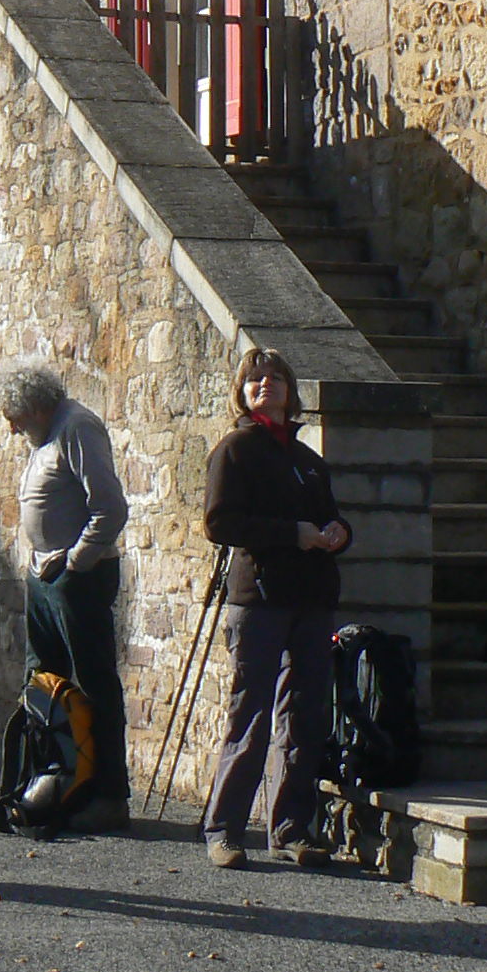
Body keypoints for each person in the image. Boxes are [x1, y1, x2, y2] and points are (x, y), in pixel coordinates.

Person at [199, 346, 351, 871]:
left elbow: (331, 517)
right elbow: (219, 523)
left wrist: (338, 532)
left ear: (291, 390)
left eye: (275, 378)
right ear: (242, 394)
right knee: (251, 714)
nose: (266, 385)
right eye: (255, 379)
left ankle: (290, 829)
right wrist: (293, 534)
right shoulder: (235, 450)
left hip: (311, 599)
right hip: (259, 601)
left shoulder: (309, 462)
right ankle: (224, 830)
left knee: (305, 717)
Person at [0, 359, 132, 832]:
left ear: (33, 406)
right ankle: (51, 783)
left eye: (14, 417)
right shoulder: (46, 435)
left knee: (94, 685)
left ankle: (108, 796)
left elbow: (110, 509)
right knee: (43, 683)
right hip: (46, 575)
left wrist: (75, 562)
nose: (12, 429)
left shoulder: (76, 427)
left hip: (77, 578)